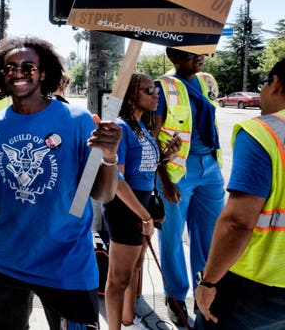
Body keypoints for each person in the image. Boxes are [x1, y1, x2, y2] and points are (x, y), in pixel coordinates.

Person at [0, 36, 122, 330]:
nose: (18, 73)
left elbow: (102, 193)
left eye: (28, 67)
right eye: (10, 67)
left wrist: (110, 156)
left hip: (67, 266)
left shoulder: (77, 121)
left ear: (44, 73)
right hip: (3, 261)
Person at [194, 58, 285, 330]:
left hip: (255, 283)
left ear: (276, 83)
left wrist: (208, 282)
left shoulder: (265, 131)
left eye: (263, 84)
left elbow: (238, 223)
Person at [153, 47, 225, 325]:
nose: (199, 56)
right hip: (177, 173)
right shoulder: (164, 86)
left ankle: (203, 295)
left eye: (200, 52)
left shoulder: (207, 81)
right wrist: (165, 181)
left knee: (209, 238)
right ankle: (175, 296)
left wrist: (215, 168)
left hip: (210, 167)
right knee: (171, 238)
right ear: (173, 57)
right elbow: (153, 138)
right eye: (190, 53)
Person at [103, 74, 181, 330]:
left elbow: (144, 167)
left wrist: (167, 155)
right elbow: (117, 177)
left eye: (156, 90)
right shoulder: (121, 127)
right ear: (132, 95)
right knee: (118, 278)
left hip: (141, 204)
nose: (156, 95)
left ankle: (128, 320)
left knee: (135, 268)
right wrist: (144, 216)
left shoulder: (141, 127)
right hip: (126, 206)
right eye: (150, 91)